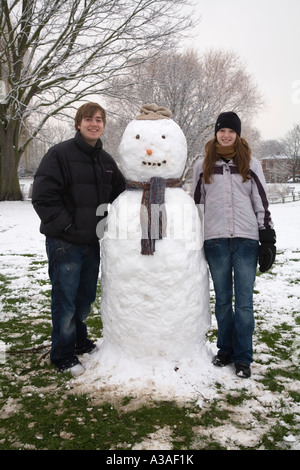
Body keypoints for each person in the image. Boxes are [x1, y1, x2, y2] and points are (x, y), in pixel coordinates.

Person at [32, 102, 126, 376]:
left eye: (99, 119)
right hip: (65, 242)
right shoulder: (59, 154)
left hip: (91, 242)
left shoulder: (106, 161)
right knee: (66, 299)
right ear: (78, 123)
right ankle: (62, 353)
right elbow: (43, 197)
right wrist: (68, 227)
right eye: (88, 119)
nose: (94, 124)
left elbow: (121, 193)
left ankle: (79, 339)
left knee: (84, 298)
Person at [193, 111, 276, 378]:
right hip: (215, 241)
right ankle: (225, 349)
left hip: (246, 240)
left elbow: (261, 202)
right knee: (222, 301)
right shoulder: (202, 165)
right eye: (222, 130)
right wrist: (193, 235)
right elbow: (196, 205)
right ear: (216, 132)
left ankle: (243, 357)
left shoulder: (250, 163)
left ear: (237, 134)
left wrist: (267, 238)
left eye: (231, 131)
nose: (226, 135)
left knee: (243, 303)